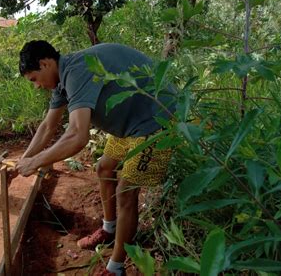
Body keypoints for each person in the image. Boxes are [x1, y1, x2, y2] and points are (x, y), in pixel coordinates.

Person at [15, 40, 175, 276]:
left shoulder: (76, 71)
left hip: (158, 122)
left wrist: (37, 161)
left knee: (126, 190)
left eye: (34, 79)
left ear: (45, 63)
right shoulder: (62, 81)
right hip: (131, 126)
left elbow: (77, 136)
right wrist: (24, 160)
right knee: (104, 168)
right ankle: (109, 230)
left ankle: (116, 267)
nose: (37, 86)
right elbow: (49, 126)